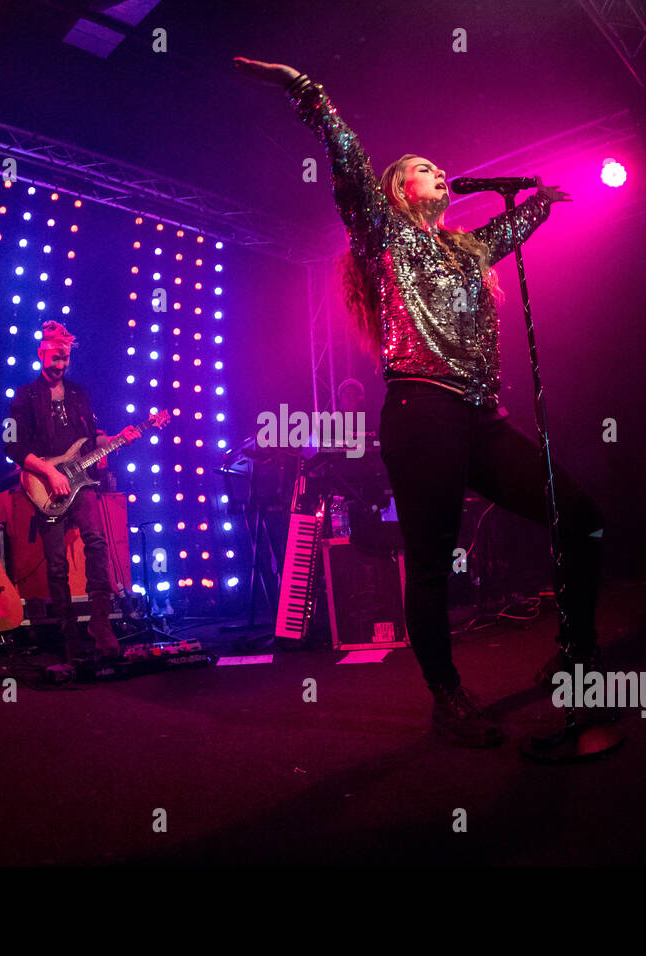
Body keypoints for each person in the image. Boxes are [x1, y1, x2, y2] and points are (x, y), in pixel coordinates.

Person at [235, 57, 606, 747]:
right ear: (399, 191)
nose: (439, 172)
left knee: (580, 516)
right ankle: (447, 697)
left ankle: (577, 650)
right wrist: (307, 91)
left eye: (440, 167)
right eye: (424, 167)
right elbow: (347, 158)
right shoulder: (384, 234)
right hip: (421, 413)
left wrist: (539, 205)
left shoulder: (464, 249)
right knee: (431, 560)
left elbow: (508, 234)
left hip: (479, 417)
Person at [7, 320, 140, 661]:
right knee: (56, 565)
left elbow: (90, 439)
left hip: (81, 484)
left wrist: (115, 440)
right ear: (41, 354)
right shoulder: (24, 396)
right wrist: (49, 472)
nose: (60, 365)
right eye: (54, 358)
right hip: (45, 484)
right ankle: (69, 634)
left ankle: (100, 623)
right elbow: (12, 446)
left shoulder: (79, 393)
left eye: (65, 358)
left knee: (97, 542)